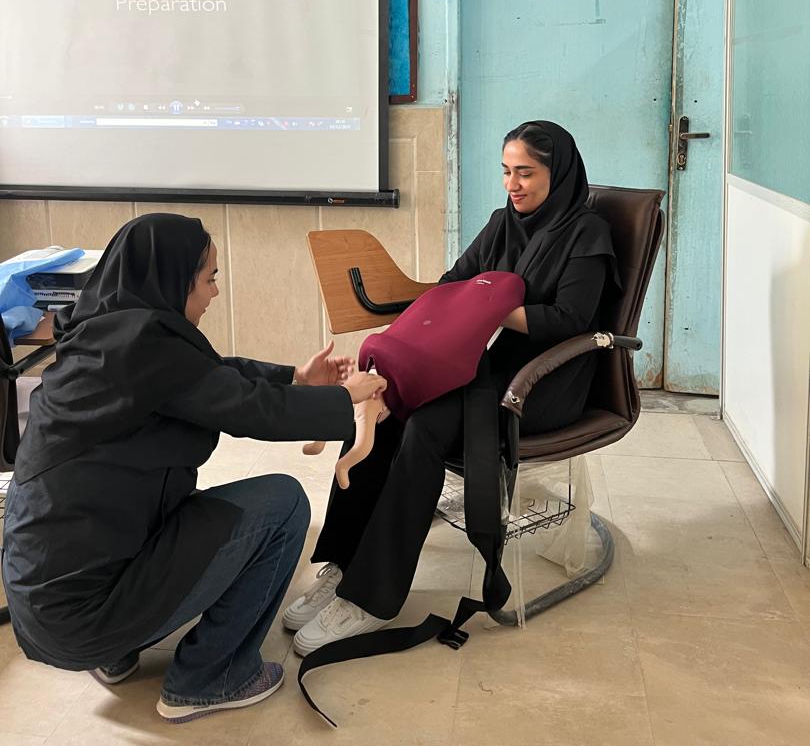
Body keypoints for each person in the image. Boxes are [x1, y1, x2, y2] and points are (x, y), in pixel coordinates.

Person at [0, 213, 384, 724]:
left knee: (164, 504)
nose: (215, 292)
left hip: (46, 608)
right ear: (173, 280)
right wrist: (344, 399)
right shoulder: (144, 349)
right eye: (209, 278)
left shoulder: (106, 332)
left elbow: (210, 374)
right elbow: (252, 410)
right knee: (283, 505)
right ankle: (208, 679)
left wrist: (296, 376)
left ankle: (115, 653)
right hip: (79, 618)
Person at [284, 120, 618, 657]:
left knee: (423, 429)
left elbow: (570, 320)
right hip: (479, 371)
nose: (512, 185)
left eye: (526, 173)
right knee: (383, 407)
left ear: (557, 174)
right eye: (506, 171)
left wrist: (487, 307)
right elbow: (453, 283)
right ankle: (345, 564)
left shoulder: (587, 235)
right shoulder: (502, 223)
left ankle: (371, 598)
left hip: (542, 384)